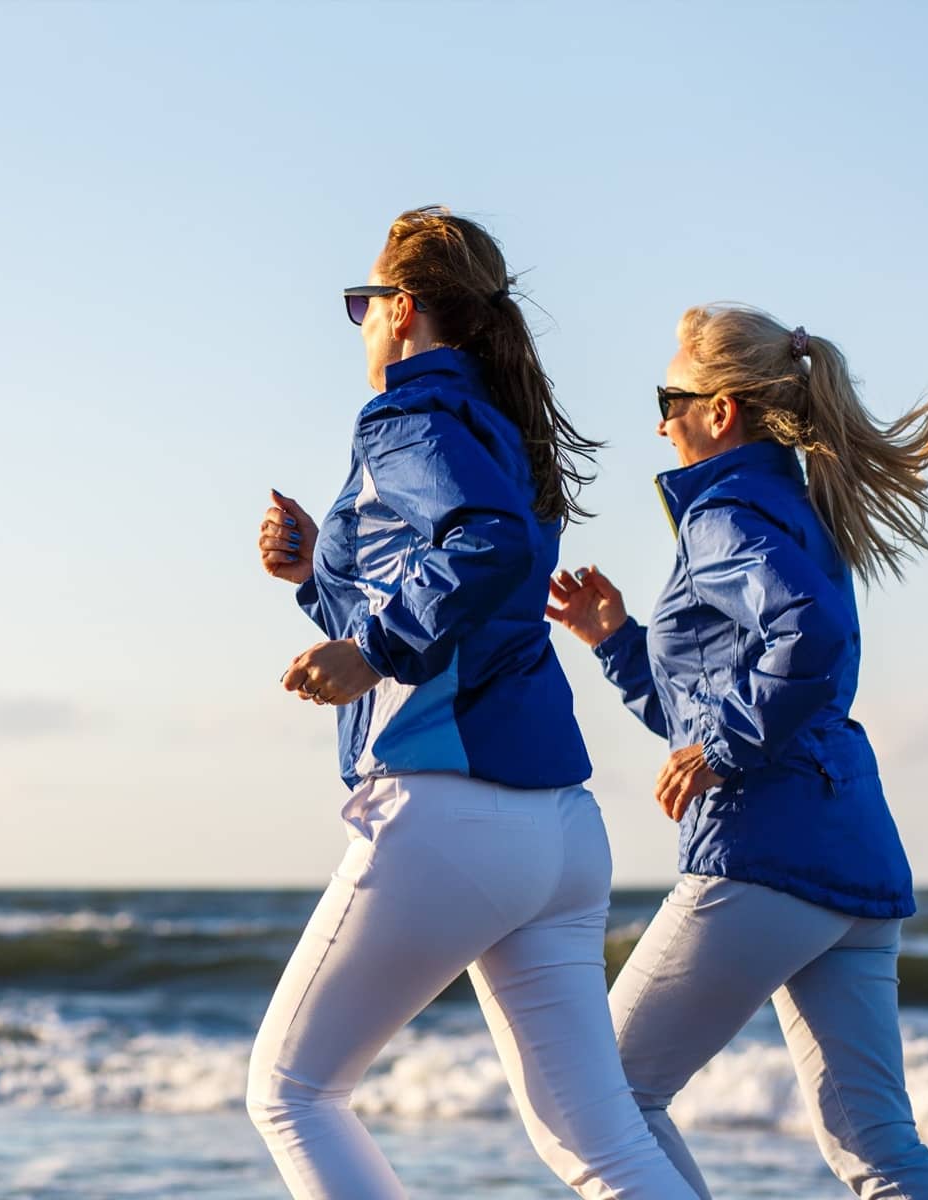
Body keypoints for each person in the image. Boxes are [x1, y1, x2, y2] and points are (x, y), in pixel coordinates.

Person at [248, 205, 696, 1200]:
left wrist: (372, 648)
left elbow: (479, 552)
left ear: (403, 309)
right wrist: (320, 569)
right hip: (560, 830)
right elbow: (466, 585)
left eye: (363, 302)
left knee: (292, 1091)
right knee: (602, 1144)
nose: (361, 322)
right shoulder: (502, 430)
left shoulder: (406, 416)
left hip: (452, 809)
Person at [547, 304, 928, 1199]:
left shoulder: (724, 516)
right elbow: (724, 697)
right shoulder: (795, 508)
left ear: (720, 409)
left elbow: (807, 640)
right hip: (851, 862)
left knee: (599, 1099)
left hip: (763, 856)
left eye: (670, 397)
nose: (659, 420)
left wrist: (726, 750)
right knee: (880, 1150)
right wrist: (617, 638)